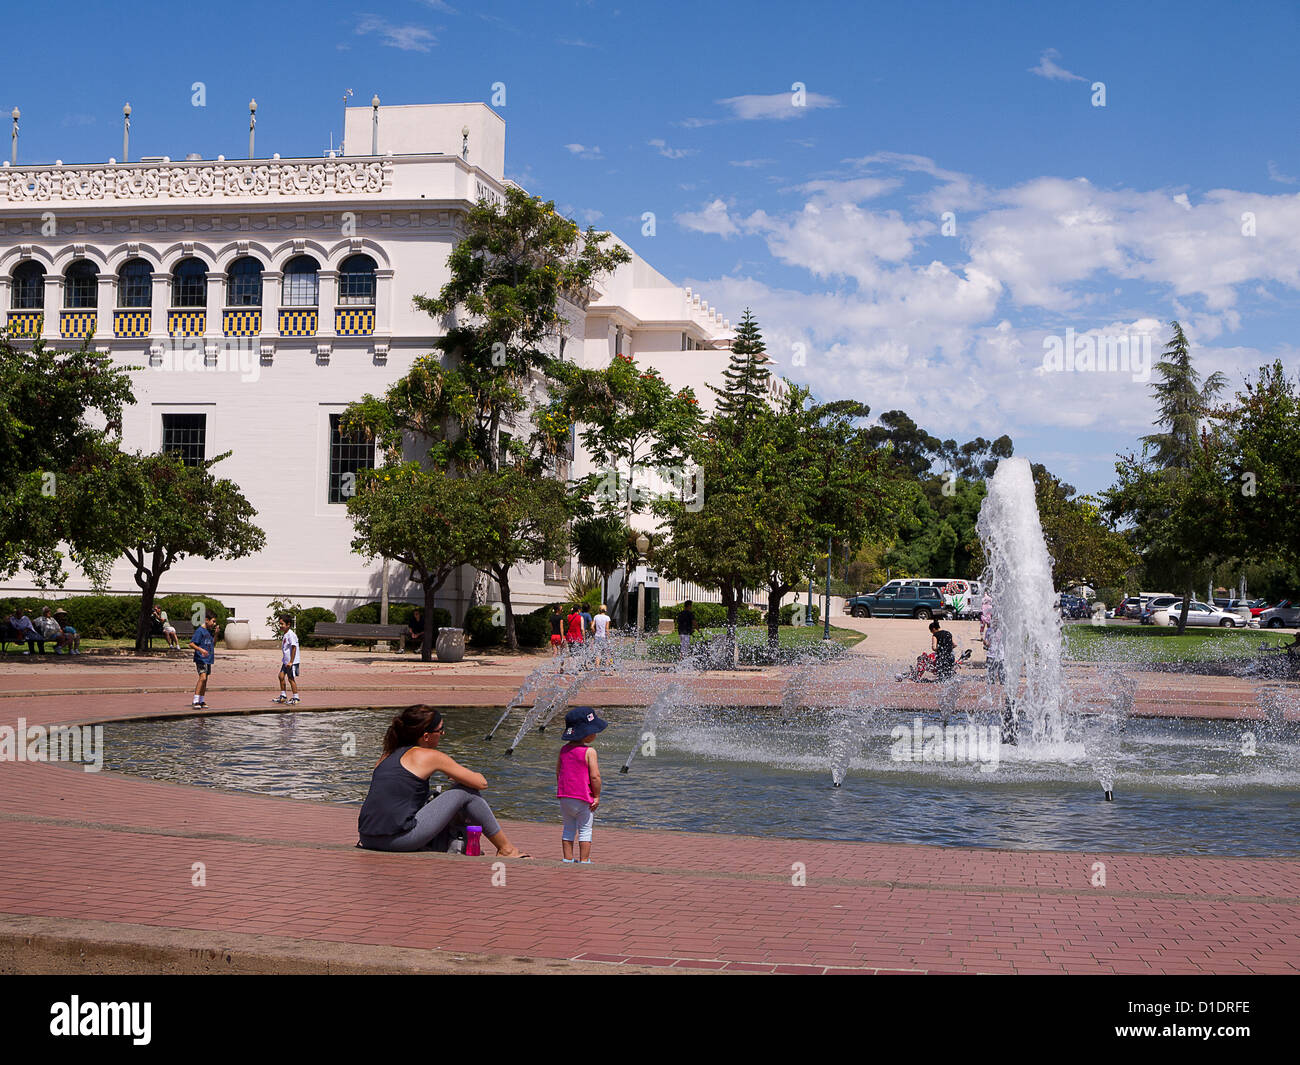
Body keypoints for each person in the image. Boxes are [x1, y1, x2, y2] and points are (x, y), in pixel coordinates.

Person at [357, 704, 528, 856]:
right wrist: (459, 777)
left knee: (434, 796)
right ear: (426, 736)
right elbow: (481, 783)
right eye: (440, 730)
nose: (443, 734)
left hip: (367, 838)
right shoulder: (429, 756)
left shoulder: (386, 755)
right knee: (465, 792)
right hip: (399, 840)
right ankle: (507, 849)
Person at [556, 706, 605, 864]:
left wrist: (564, 789)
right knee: (585, 830)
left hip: (565, 798)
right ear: (587, 733)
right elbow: (595, 776)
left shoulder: (563, 750)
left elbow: (558, 772)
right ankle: (584, 860)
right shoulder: (589, 752)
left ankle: (567, 859)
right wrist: (596, 796)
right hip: (584, 798)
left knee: (568, 829)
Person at [189, 612, 218, 708]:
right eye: (213, 621)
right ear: (206, 620)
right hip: (201, 659)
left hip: (208, 659)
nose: (214, 624)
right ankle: (195, 700)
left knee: (205, 680)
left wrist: (216, 635)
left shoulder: (209, 631)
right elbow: (192, 644)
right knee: (203, 678)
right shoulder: (200, 631)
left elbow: (213, 644)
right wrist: (201, 650)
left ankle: (201, 700)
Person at [272, 614, 301, 704]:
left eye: (282, 624)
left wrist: (291, 661)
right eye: (279, 624)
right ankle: (283, 696)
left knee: (290, 679)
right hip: (285, 661)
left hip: (291, 662)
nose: (280, 626)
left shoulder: (291, 635)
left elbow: (294, 647)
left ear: (288, 625)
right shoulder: (285, 634)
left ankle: (296, 698)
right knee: (281, 676)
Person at [591, 603, 611, 670]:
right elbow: (607, 629)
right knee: (607, 652)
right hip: (604, 636)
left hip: (597, 636)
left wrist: (595, 632)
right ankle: (607, 667)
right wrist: (608, 637)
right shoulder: (607, 618)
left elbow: (592, 627)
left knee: (598, 652)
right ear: (605, 610)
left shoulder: (596, 616)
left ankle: (597, 666)